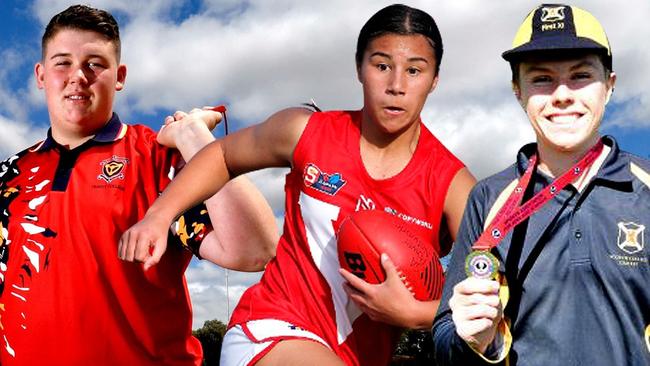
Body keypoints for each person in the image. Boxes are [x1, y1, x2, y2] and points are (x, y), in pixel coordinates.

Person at [119, 4, 476, 365]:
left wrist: (416, 314)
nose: (396, 86)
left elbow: (496, 296)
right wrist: (159, 215)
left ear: (434, 80)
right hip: (272, 329)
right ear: (359, 68)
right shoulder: (306, 131)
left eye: (414, 70)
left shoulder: (455, 186)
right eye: (381, 65)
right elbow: (223, 156)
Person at [0, 5, 278, 365]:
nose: (77, 76)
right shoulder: (10, 174)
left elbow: (255, 249)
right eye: (62, 62)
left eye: (94, 63)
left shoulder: (158, 160)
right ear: (40, 74)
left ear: (119, 75)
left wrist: (194, 137)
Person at [432, 3, 650, 365]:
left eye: (580, 75)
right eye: (542, 78)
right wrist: (475, 340)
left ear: (609, 86)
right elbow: (443, 340)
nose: (562, 94)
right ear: (518, 91)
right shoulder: (488, 197)